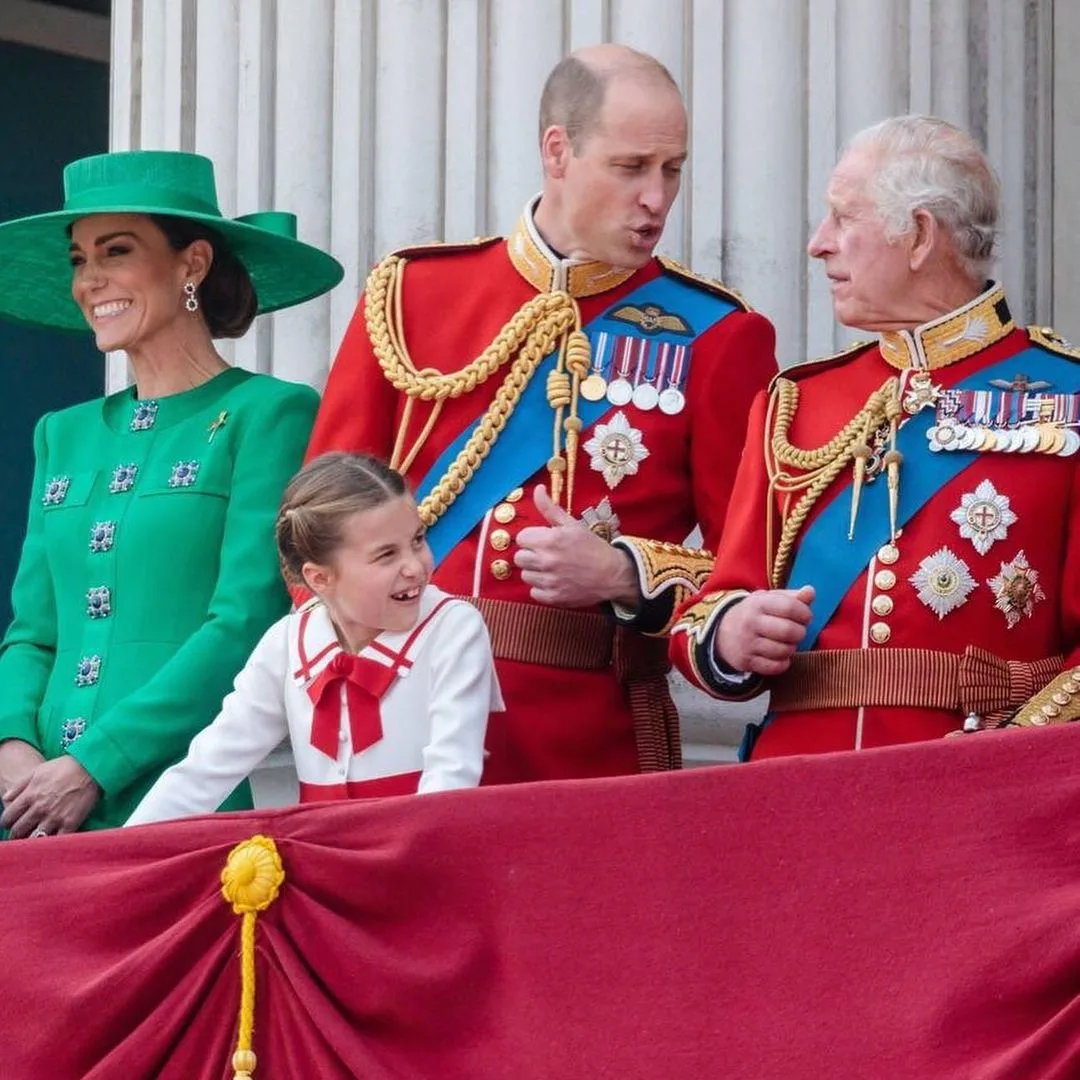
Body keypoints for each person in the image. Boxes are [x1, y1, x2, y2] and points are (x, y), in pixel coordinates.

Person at [305, 44, 777, 783]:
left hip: (579, 741)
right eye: (630, 168)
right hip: (396, 709)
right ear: (557, 151)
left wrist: (626, 573)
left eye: (672, 169)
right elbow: (319, 521)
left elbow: (747, 570)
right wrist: (338, 679)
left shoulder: (717, 336)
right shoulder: (413, 293)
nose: (657, 197)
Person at [669, 115, 1080, 759]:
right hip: (797, 794)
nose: (817, 243)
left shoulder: (1068, 401)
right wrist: (730, 634)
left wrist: (1013, 759)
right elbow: (718, 601)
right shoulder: (796, 402)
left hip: (974, 799)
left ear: (917, 237)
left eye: (842, 218)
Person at [0, 149, 343, 835]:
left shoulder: (268, 413)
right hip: (32, 809)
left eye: (115, 252)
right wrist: (14, 753)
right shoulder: (58, 435)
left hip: (177, 797)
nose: (90, 281)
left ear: (192, 263)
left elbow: (245, 622)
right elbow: (33, 632)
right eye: (78, 260)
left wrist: (95, 762)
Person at [126, 453, 499, 825]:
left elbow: (452, 775)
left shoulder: (453, 628)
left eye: (417, 540)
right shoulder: (286, 644)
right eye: (386, 555)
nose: (415, 566)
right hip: (320, 865)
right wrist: (121, 853)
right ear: (319, 578)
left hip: (422, 857)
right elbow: (206, 768)